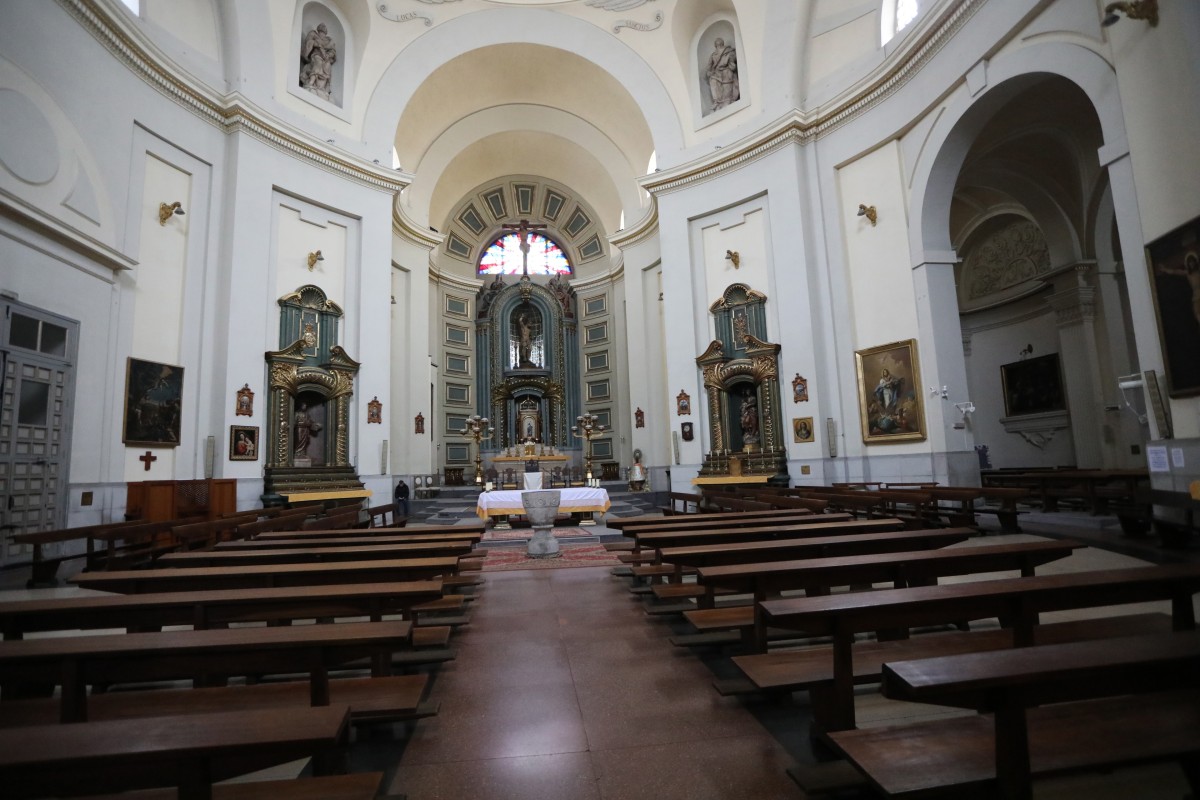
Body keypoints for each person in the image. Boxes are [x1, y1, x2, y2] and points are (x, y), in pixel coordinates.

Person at [299, 23, 337, 100]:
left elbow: (332, 51)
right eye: (320, 32)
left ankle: (325, 87)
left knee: (327, 65)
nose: (322, 34)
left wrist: (328, 55)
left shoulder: (328, 41)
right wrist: (315, 44)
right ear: (318, 31)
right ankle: (311, 82)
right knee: (318, 62)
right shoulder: (314, 35)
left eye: (323, 33)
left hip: (325, 58)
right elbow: (308, 43)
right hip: (315, 55)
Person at [706, 37, 739, 112]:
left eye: (720, 45)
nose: (719, 47)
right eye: (717, 46)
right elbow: (709, 66)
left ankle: (727, 100)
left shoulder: (729, 52)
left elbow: (732, 65)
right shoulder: (713, 55)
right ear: (715, 46)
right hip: (717, 73)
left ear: (722, 44)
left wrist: (730, 62)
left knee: (727, 77)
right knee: (713, 80)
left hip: (726, 71)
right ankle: (717, 101)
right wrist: (709, 72)